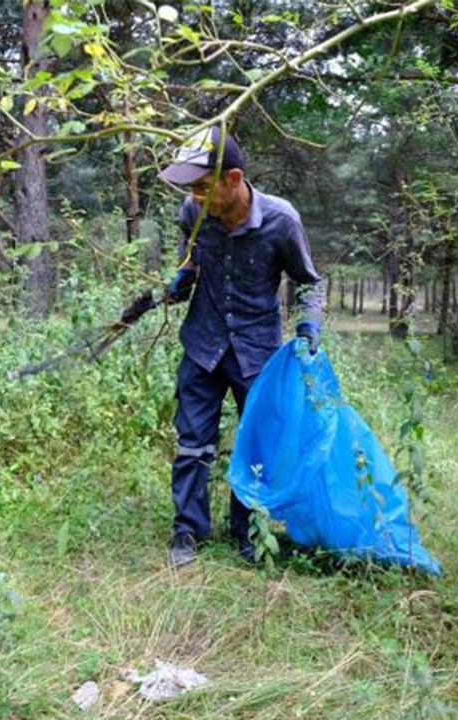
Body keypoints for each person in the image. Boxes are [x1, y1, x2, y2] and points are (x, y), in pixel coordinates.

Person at [158, 127, 325, 568]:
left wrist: (308, 327)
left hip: (257, 354)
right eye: (190, 189)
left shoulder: (280, 220)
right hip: (202, 345)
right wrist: (183, 278)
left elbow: (310, 283)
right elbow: (190, 257)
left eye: (201, 186)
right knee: (193, 442)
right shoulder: (192, 212)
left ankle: (249, 530)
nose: (194, 197)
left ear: (233, 178)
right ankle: (187, 531)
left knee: (256, 446)